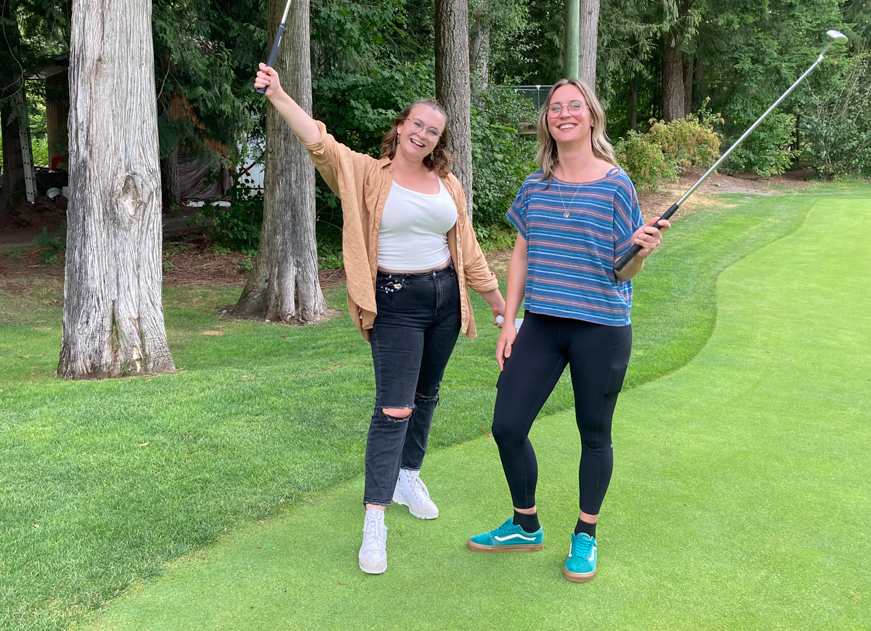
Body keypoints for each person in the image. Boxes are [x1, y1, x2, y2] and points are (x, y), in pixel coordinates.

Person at [254, 63, 506, 576]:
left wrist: (497, 301)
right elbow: (319, 143)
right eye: (416, 124)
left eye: (432, 131)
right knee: (394, 409)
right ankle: (375, 519)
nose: (422, 134)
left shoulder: (448, 184)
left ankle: (408, 475)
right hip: (394, 301)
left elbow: (468, 248)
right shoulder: (368, 173)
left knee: (427, 396)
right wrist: (279, 94)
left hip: (444, 299)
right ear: (400, 126)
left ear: (439, 141)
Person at [466, 78, 669, 583]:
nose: (564, 113)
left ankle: (585, 534)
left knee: (594, 433)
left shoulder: (618, 184)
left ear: (592, 117)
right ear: (547, 121)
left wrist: (640, 252)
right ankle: (525, 524)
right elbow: (520, 252)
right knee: (507, 425)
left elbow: (622, 272)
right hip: (541, 323)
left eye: (574, 106)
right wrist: (508, 322)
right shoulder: (537, 184)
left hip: (600, 327)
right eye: (555, 108)